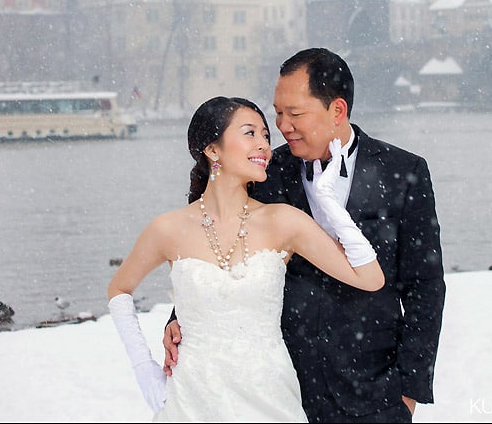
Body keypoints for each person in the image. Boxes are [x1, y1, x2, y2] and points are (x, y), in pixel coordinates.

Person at [164, 48, 446, 422]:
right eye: (278, 113)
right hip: (280, 388)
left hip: (375, 390)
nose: (282, 125)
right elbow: (221, 249)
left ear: (337, 111)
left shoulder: (404, 171)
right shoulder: (265, 173)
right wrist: (178, 315)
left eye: (295, 113)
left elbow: (425, 286)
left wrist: (409, 391)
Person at [107, 96, 385, 422]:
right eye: (250, 133)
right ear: (212, 149)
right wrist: (145, 370)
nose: (265, 146)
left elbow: (369, 277)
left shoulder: (283, 221)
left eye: (266, 137)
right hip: (192, 400)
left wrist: (329, 203)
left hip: (268, 397)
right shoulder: (168, 228)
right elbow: (119, 291)